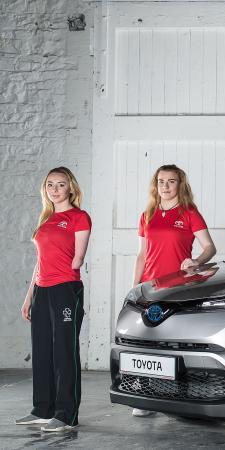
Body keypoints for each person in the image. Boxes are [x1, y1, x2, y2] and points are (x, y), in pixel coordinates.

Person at [130, 164, 216, 417]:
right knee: (144, 343)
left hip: (179, 289)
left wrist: (197, 262)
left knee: (171, 344)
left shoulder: (190, 213)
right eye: (160, 181)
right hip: (149, 287)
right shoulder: (147, 214)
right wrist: (134, 288)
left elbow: (210, 247)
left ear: (180, 184)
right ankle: (146, 398)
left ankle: (177, 397)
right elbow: (141, 255)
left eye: (171, 181)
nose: (165, 186)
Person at [16, 167, 91, 432]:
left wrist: (69, 269)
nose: (55, 189)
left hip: (65, 289)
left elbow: (78, 257)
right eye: (50, 185)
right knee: (42, 352)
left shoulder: (78, 217)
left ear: (70, 187)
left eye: (61, 184)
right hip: (42, 291)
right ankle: (43, 409)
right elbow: (39, 263)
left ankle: (66, 414)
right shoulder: (46, 220)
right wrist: (29, 298)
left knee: (63, 352)